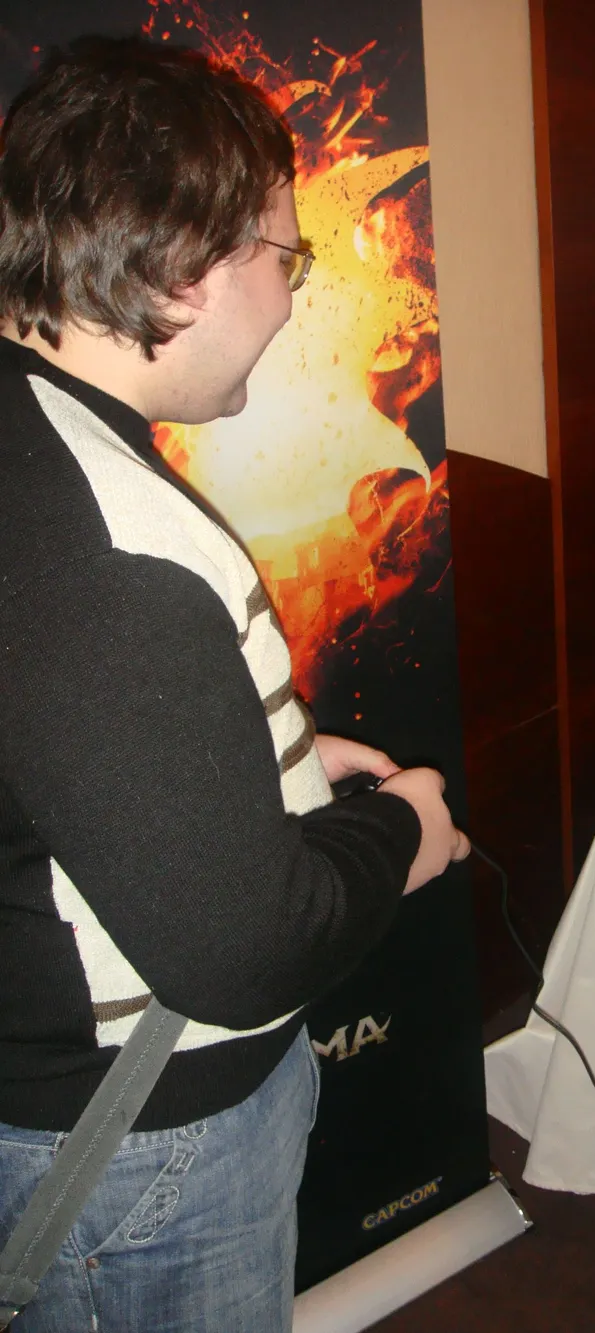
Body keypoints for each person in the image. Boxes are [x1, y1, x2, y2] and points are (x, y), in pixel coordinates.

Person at [0, 34, 469, 1333]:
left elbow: (60, 745)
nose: (291, 298)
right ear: (186, 266)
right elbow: (243, 954)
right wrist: (403, 829)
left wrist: (271, 757)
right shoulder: (114, 548)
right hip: (140, 1150)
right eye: (286, 259)